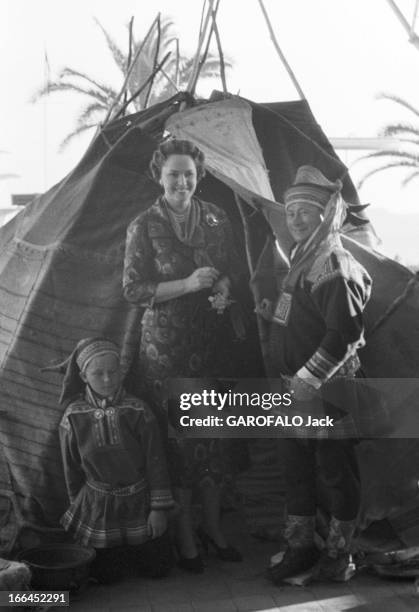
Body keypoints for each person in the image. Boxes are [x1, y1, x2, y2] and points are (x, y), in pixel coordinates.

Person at [123, 139, 243, 573]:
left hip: (210, 346)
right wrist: (187, 285)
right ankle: (187, 536)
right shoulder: (144, 224)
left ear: (199, 175)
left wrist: (223, 289)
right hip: (166, 351)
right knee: (180, 444)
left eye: (189, 174)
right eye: (173, 174)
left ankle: (214, 528)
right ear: (160, 175)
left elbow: (230, 268)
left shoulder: (216, 218)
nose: (181, 181)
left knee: (212, 443)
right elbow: (133, 289)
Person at [257, 166, 372, 583]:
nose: (297, 219)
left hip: (326, 390)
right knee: (297, 471)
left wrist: (307, 379)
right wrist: (275, 317)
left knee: (336, 475)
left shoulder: (333, 263)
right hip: (298, 390)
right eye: (291, 213)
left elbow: (343, 334)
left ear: (325, 214)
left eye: (306, 211)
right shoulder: (303, 258)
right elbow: (306, 316)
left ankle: (340, 556)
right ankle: (301, 548)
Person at [58, 337, 175, 584]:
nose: (108, 379)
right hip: (99, 506)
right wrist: (80, 511)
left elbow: (157, 462)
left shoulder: (139, 410)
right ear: (83, 375)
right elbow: (71, 469)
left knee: (159, 570)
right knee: (107, 577)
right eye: (98, 373)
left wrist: (158, 510)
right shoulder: (73, 417)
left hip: (139, 501)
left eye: (113, 372)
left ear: (121, 371)